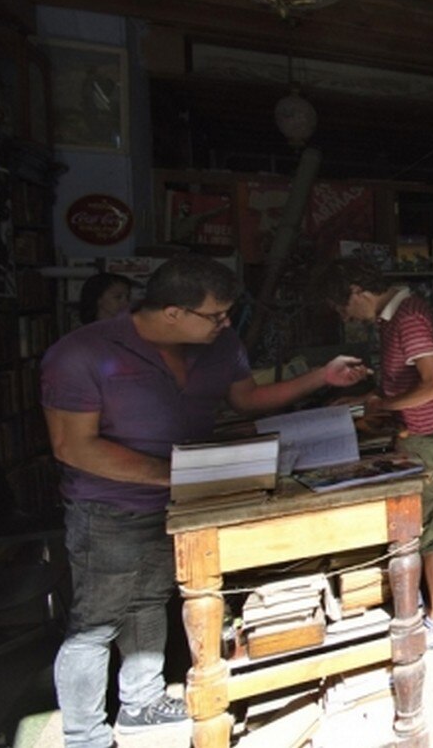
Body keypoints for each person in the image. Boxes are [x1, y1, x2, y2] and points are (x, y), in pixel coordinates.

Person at [41, 254, 369, 748]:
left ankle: (141, 703)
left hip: (185, 502)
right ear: (171, 312)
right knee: (96, 623)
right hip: (110, 506)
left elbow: (247, 400)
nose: (224, 323)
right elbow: (73, 446)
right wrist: (175, 475)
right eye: (215, 315)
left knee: (152, 601)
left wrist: (323, 377)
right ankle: (84, 734)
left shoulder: (219, 344)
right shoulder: (81, 353)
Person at [313, 258, 433, 649]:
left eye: (348, 309)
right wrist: (368, 397)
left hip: (428, 439)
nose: (352, 318)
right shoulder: (394, 317)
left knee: (432, 530)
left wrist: (382, 405)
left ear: (358, 291)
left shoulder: (407, 318)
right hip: (417, 436)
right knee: (422, 528)